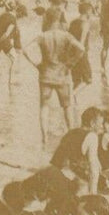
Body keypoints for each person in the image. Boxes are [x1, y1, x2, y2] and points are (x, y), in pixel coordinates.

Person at [26, 8, 86, 148]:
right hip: (62, 75)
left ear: (48, 19)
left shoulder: (43, 36)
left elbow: (26, 49)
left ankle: (44, 138)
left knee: (44, 107)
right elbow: (81, 49)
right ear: (59, 20)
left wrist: (36, 64)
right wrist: (70, 63)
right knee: (67, 106)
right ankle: (72, 136)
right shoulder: (66, 35)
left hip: (45, 74)